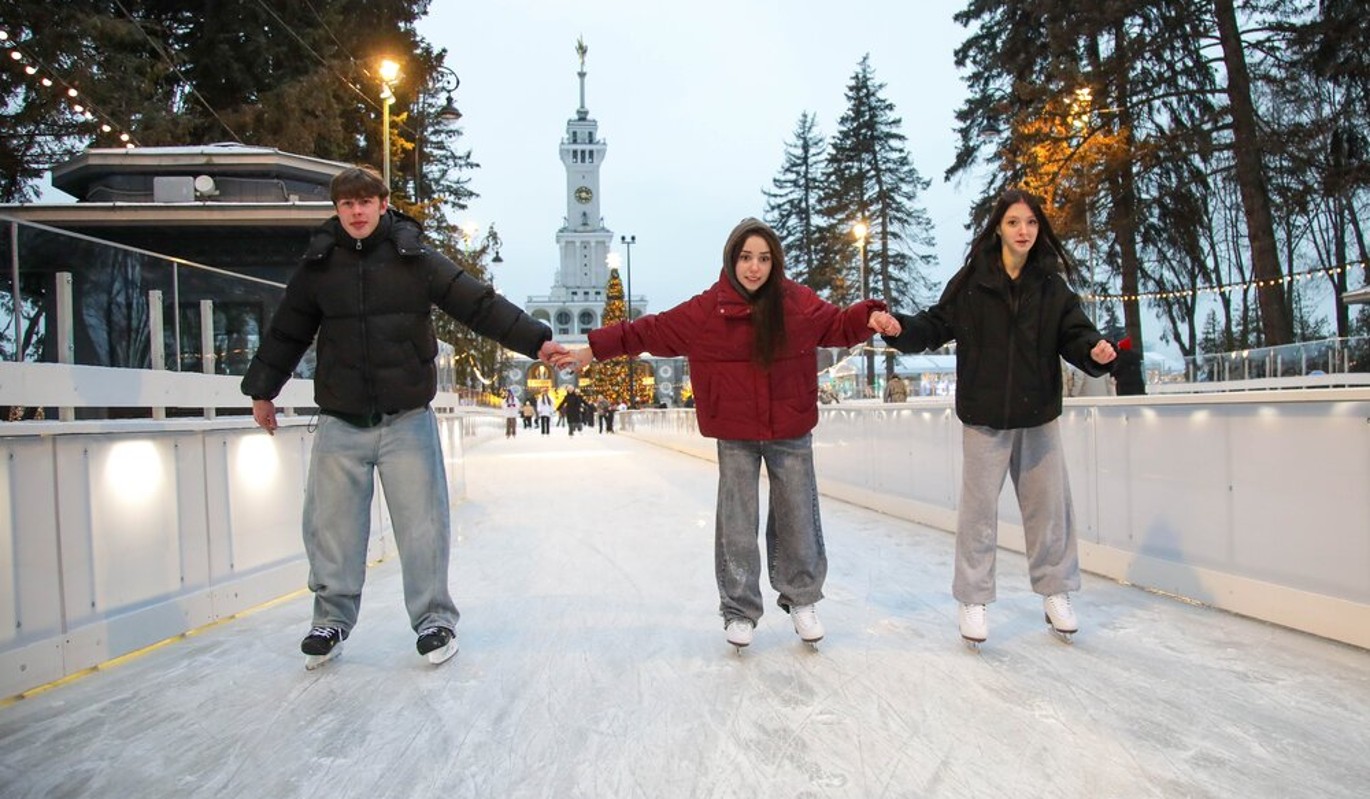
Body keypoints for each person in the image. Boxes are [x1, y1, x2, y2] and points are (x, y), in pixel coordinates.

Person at [240, 165, 563, 669]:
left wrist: (535, 341)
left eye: (366, 201)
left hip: (406, 418)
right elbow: (288, 330)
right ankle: (330, 619)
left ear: (383, 203)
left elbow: (477, 303)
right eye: (347, 204)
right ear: (337, 209)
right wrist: (263, 390)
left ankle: (434, 619)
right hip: (340, 420)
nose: (357, 212)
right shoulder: (319, 265)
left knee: (422, 525)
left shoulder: (415, 258)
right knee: (331, 526)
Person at [560, 218, 898, 649]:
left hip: (790, 426)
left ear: (774, 262)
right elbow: (648, 330)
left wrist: (871, 316)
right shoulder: (707, 311)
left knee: (798, 516)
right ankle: (739, 609)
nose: (754, 268)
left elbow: (838, 324)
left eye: (763, 258)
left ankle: (802, 598)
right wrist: (592, 348)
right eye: (745, 258)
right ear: (731, 260)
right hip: (735, 431)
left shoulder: (796, 302)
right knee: (737, 522)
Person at [871, 188, 1115, 648]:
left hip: (1038, 414)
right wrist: (900, 328)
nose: (1023, 231)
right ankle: (973, 598)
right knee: (979, 513)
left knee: (1049, 511)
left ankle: (1056, 591)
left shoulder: (1051, 286)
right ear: (998, 228)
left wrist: (1095, 353)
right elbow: (934, 325)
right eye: (1013, 223)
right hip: (984, 417)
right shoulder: (973, 284)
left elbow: (1076, 334)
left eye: (1031, 223)